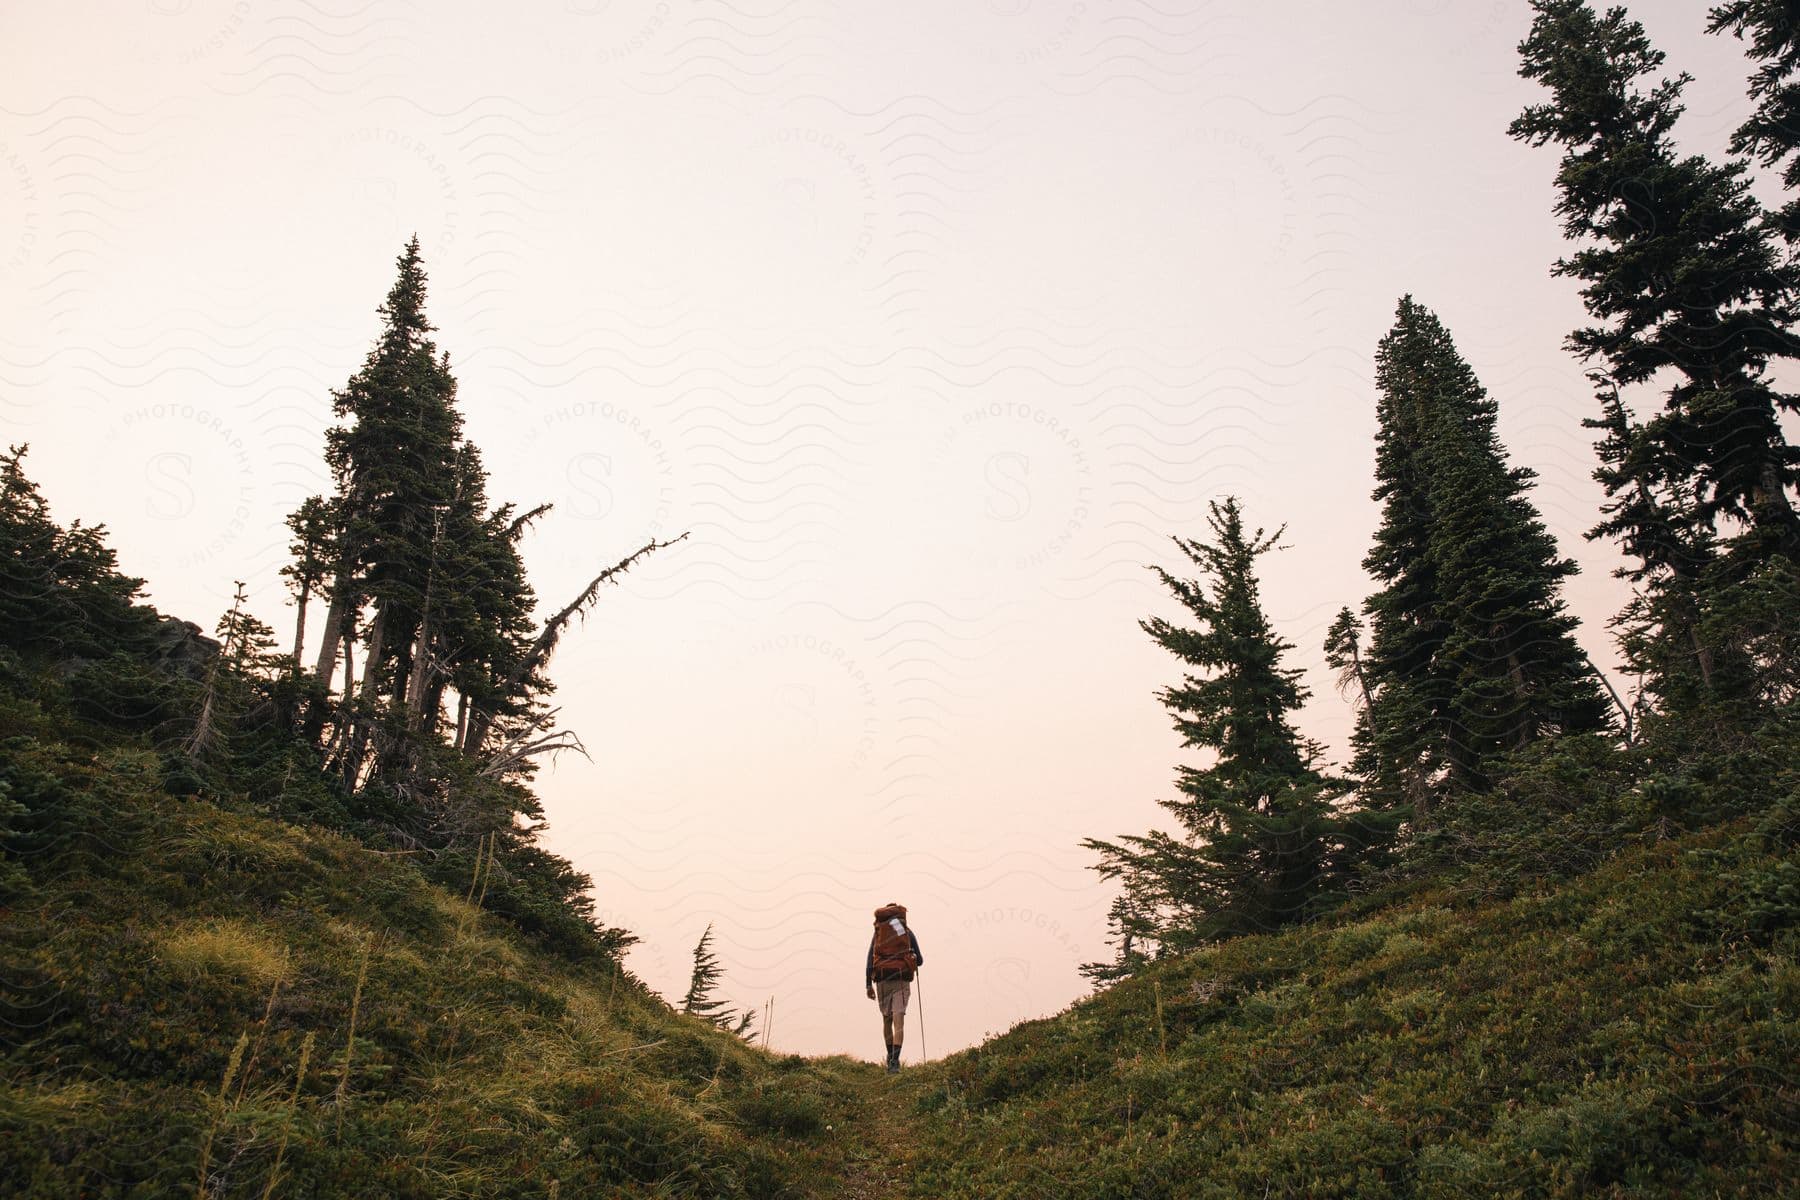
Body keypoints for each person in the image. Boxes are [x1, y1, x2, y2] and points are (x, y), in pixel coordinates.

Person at [865, 901, 922, 1073]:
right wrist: (910, 958)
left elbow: (870, 959)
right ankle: (895, 1062)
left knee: (887, 1020)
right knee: (899, 1021)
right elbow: (920, 959)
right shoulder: (906, 932)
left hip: (882, 980)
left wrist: (868, 984)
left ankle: (890, 1056)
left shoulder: (879, 934)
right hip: (901, 980)